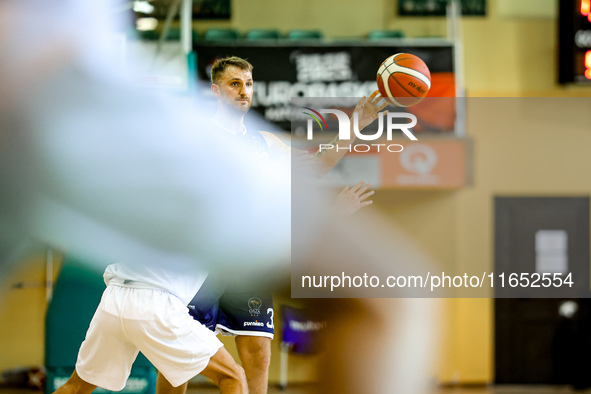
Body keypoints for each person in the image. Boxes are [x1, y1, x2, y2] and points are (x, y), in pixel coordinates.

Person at [180, 56, 383, 394]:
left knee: (258, 353)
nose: (244, 91)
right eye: (234, 84)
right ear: (215, 91)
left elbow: (317, 166)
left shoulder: (266, 143)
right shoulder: (199, 137)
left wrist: (355, 124)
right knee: (180, 358)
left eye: (248, 84)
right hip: (202, 261)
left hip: (248, 264)